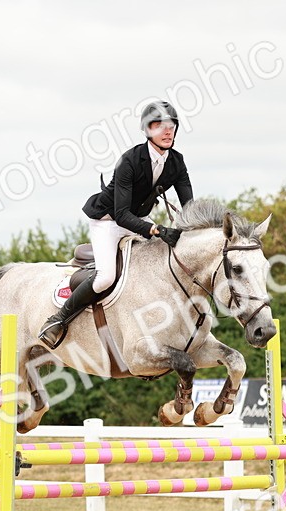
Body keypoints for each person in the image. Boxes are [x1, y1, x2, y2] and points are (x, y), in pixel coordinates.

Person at [37, 100, 194, 348]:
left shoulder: (177, 161)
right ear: (147, 130)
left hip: (139, 220)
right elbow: (121, 215)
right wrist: (157, 229)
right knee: (105, 278)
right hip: (109, 221)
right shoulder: (129, 161)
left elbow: (189, 208)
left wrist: (195, 230)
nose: (167, 131)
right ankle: (58, 319)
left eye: (171, 125)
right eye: (158, 125)